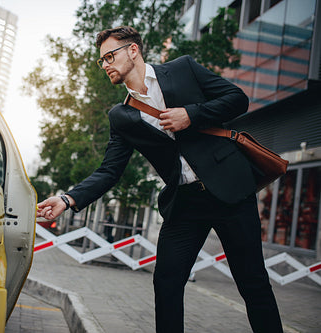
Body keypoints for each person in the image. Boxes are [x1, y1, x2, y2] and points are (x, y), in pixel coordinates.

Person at [37, 26, 283, 333]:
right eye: (102, 61)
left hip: (230, 190)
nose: (106, 65)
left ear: (133, 50)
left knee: (252, 282)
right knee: (166, 281)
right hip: (185, 203)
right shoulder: (122, 116)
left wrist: (191, 114)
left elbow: (237, 99)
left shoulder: (183, 69)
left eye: (110, 56)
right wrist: (66, 199)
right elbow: (109, 171)